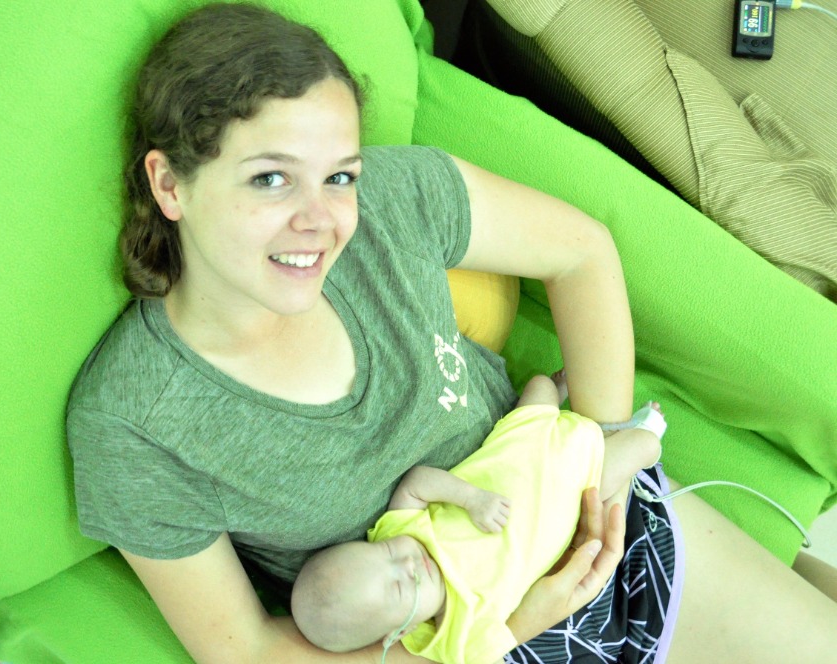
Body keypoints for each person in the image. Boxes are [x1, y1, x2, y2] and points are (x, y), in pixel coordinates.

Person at [65, 3, 837, 663]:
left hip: (609, 533)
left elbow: (580, 251)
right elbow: (249, 652)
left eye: (339, 175)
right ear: (170, 184)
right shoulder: (135, 424)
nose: (320, 221)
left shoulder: (391, 204)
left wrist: (600, 458)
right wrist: (505, 630)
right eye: (271, 178)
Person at [290, 371, 664, 662]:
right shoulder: (458, 642)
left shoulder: (401, 530)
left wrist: (471, 499)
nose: (408, 563)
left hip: (524, 440)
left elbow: (416, 483)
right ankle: (639, 432)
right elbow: (509, 638)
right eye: (401, 587)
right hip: (579, 487)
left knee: (540, 387)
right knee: (646, 445)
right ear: (399, 633)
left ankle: (560, 389)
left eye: (386, 553)